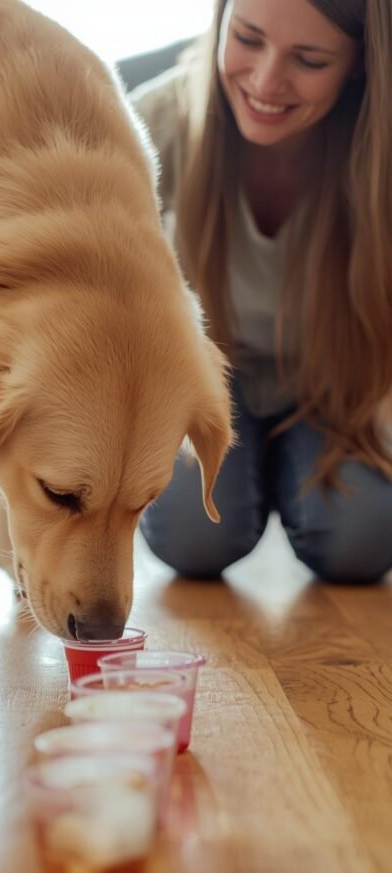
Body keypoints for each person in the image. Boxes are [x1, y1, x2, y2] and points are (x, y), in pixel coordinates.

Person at [128, 0, 392, 583]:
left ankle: (289, 468)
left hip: (337, 390)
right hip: (207, 382)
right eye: (248, 38)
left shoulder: (379, 153)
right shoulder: (158, 121)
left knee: (361, 541)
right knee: (193, 537)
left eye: (310, 59)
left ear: (358, 64)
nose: (267, 81)